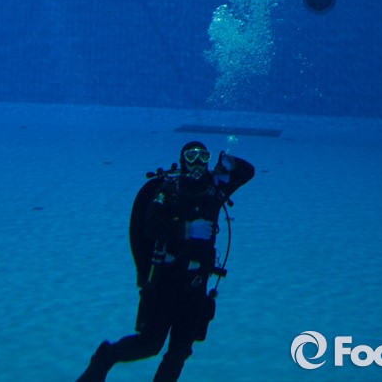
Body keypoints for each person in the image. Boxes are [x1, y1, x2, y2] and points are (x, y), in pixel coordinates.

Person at [76, 141, 255, 382]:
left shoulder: (215, 189)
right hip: (166, 281)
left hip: (196, 283)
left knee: (179, 351)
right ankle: (105, 357)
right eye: (191, 156)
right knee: (149, 345)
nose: (197, 162)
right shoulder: (168, 189)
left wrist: (230, 162)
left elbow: (248, 172)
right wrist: (187, 229)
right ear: (182, 159)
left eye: (203, 157)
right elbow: (150, 226)